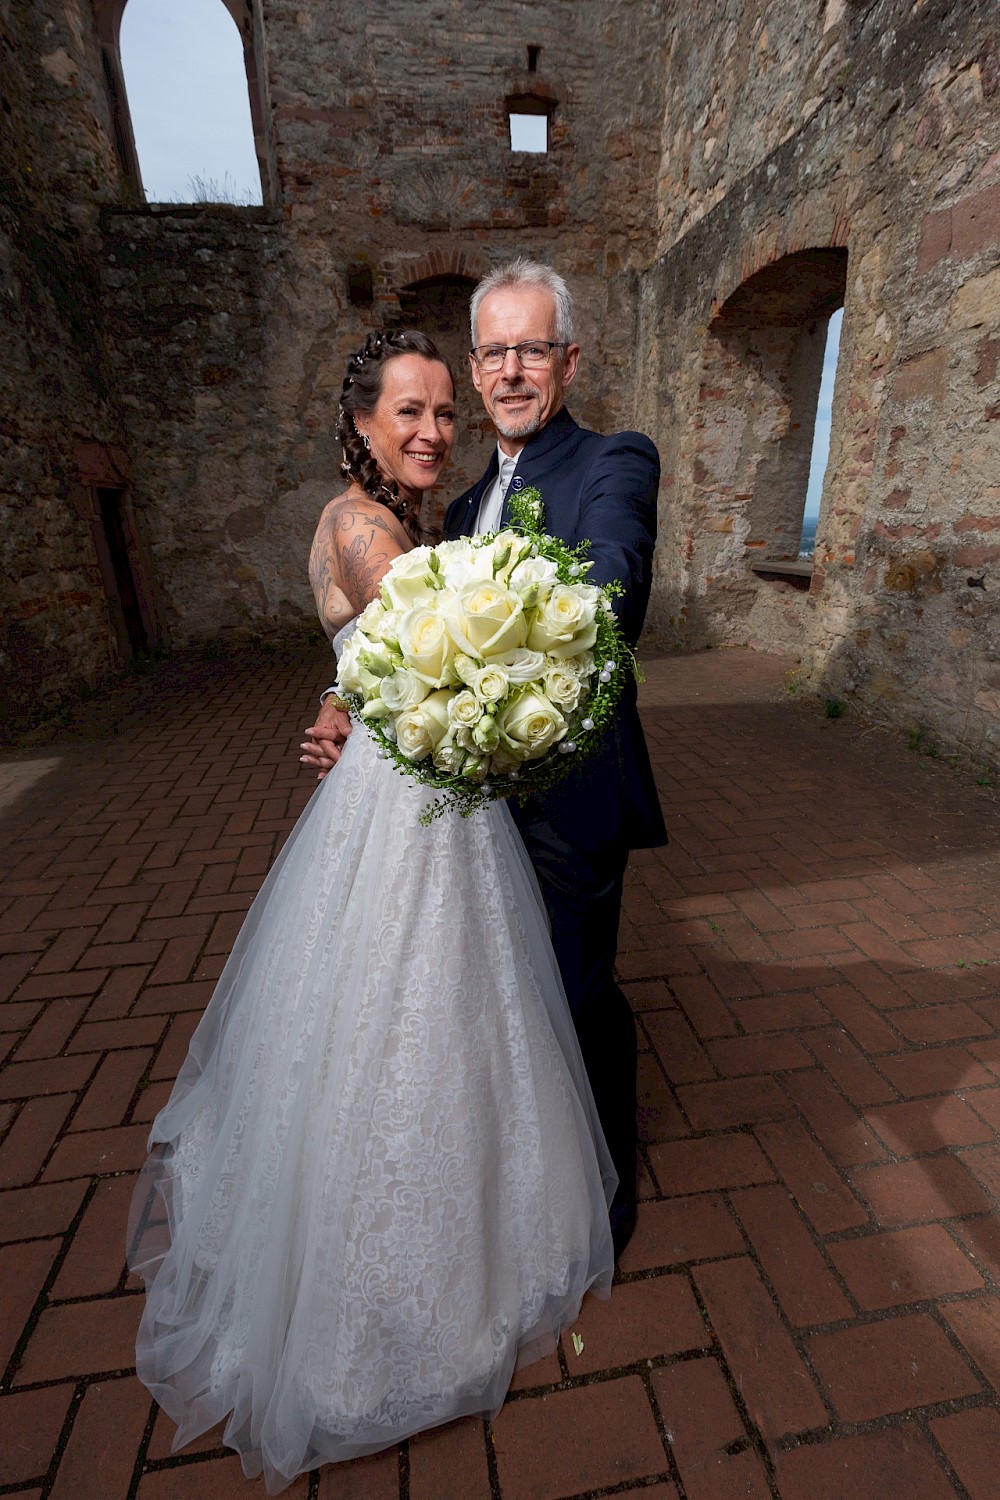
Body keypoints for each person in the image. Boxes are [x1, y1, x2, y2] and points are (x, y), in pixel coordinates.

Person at [128, 330, 616, 1495]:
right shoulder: (363, 524)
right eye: (409, 412)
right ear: (359, 420)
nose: (433, 433)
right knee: (395, 1016)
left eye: (445, 413)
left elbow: (369, 663)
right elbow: (427, 648)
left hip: (423, 796)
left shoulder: (404, 523)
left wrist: (337, 700)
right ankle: (376, 1306)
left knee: (447, 1012)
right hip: (406, 817)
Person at [305, 261, 667, 1257]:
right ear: (476, 365)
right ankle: (518, 1173)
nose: (513, 371)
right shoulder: (460, 509)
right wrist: (346, 694)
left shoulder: (612, 462)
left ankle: (599, 1195)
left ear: (568, 360)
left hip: (571, 792)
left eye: (533, 349)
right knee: (491, 1000)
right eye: (496, 351)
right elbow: (396, 634)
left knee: (575, 990)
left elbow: (613, 588)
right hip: (467, 808)